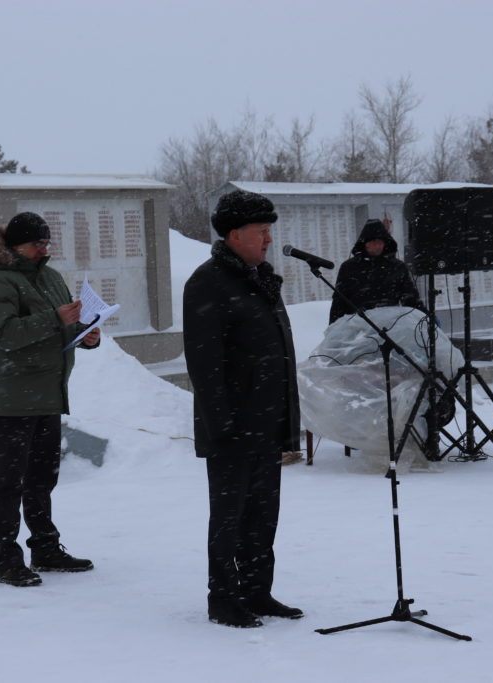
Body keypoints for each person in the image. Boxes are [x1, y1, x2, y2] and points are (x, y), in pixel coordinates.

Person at [183, 189, 304, 628]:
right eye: (261, 232)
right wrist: (223, 423)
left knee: (262, 517)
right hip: (233, 427)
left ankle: (257, 591)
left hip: (267, 420)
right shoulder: (208, 281)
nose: (268, 239)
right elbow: (204, 362)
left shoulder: (259, 277)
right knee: (229, 518)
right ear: (235, 235)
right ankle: (224, 598)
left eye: (270, 231)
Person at [0, 212, 100, 587]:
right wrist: (55, 319)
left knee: (42, 478)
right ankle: (7, 559)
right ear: (14, 246)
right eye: (37, 244)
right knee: (10, 482)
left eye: (47, 243)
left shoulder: (50, 277)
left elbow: (61, 325)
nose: (45, 250)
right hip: (12, 394)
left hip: (47, 391)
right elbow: (4, 334)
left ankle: (45, 547)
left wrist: (85, 334)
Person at [328, 217, 425, 324]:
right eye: (374, 241)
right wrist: (334, 327)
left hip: (390, 327)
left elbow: (410, 297)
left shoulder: (397, 267)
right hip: (358, 328)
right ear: (365, 243)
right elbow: (339, 302)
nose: (378, 245)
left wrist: (426, 318)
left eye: (381, 241)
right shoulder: (349, 268)